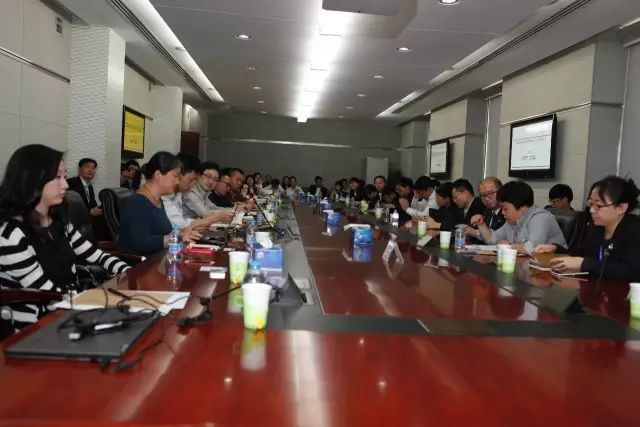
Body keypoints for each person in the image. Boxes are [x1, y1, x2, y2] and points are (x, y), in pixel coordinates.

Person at [0, 145, 129, 331]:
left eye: (65, 176)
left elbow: (96, 255)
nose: (66, 185)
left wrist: (129, 274)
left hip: (68, 311)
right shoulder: (10, 235)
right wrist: (96, 303)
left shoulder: (59, 221)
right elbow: (47, 293)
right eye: (57, 177)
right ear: (33, 180)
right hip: (37, 327)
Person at [536, 176, 640, 281]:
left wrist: (585, 264)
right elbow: (579, 253)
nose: (591, 210)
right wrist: (556, 248)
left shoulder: (635, 230)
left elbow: (632, 272)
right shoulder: (596, 228)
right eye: (591, 204)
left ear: (621, 208)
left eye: (598, 206)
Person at [118, 152, 199, 256]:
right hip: (141, 263)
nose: (177, 182)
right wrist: (177, 237)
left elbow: (160, 233)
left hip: (159, 258)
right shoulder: (138, 202)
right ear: (158, 175)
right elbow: (141, 242)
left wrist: (181, 233)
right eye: (175, 176)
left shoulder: (157, 200)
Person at [475, 181, 566, 254]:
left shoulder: (541, 218)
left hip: (553, 267)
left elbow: (531, 248)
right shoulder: (512, 221)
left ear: (522, 207)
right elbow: (493, 240)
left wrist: (509, 246)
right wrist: (481, 224)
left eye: (505, 208)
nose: (502, 212)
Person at [162, 154, 232, 230]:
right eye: (208, 176)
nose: (211, 181)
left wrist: (232, 211)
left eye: (215, 179)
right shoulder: (187, 194)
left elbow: (185, 222)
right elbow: (182, 226)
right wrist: (217, 217)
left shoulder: (179, 194)